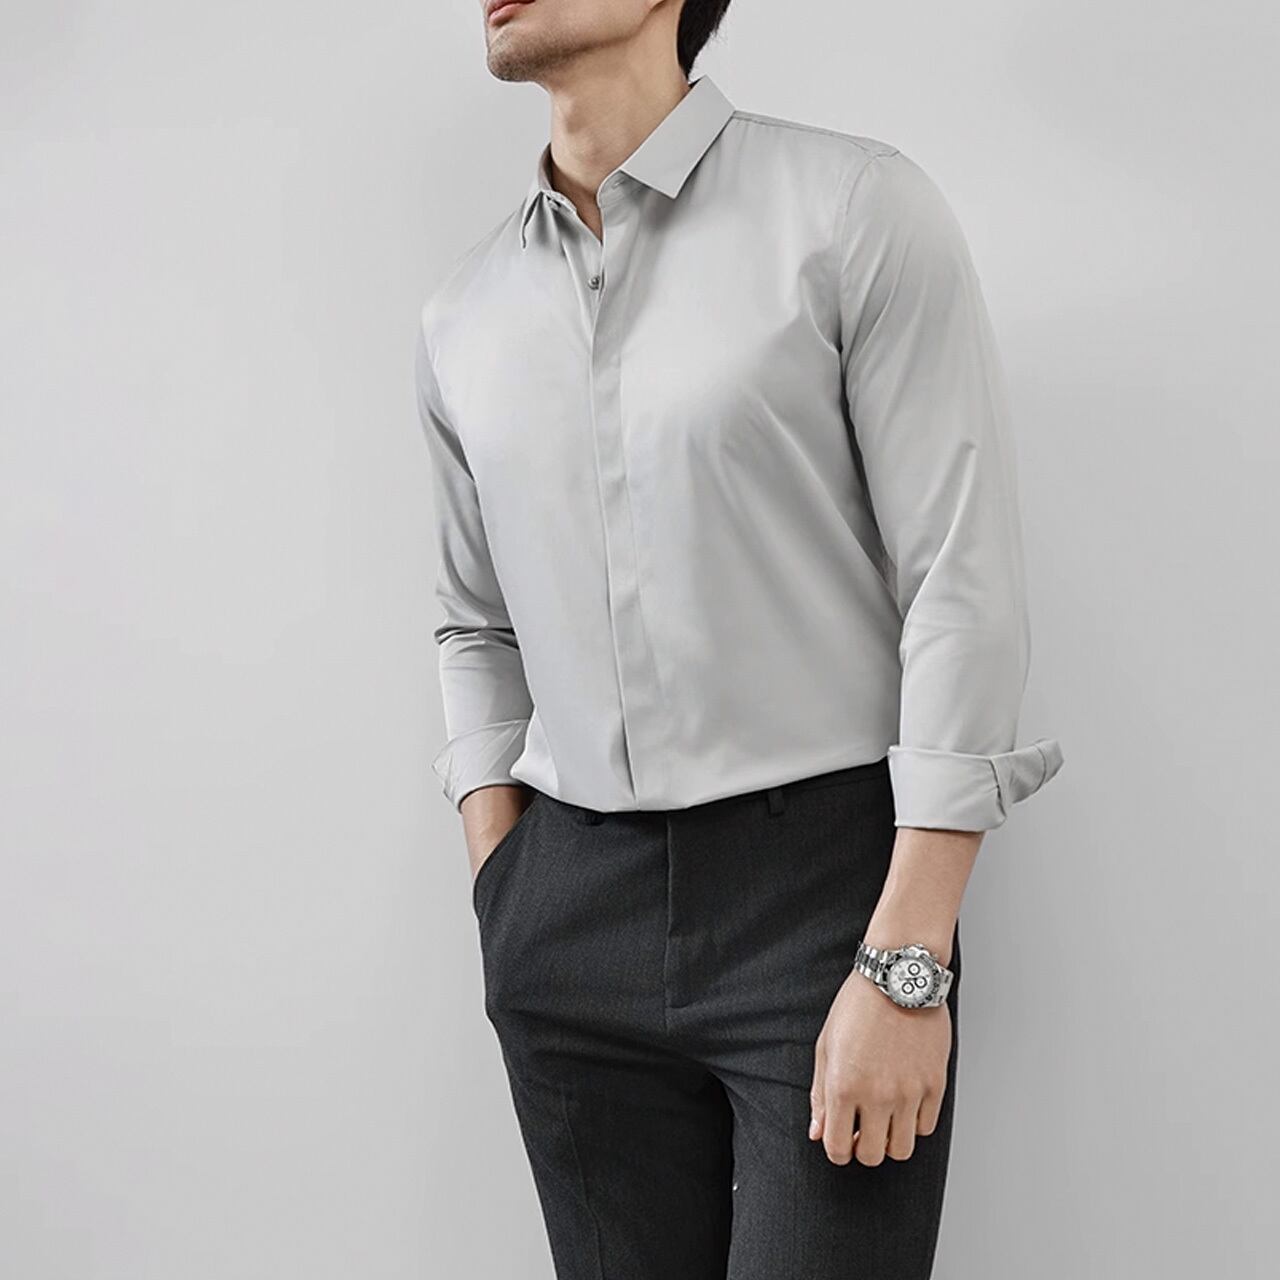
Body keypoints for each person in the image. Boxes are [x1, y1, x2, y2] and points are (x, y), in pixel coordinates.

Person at [413, 2, 1064, 1276]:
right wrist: (506, 889)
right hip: (566, 904)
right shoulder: (463, 312)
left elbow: (960, 581)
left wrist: (908, 953)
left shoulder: (851, 212)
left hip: (823, 900)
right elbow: (472, 620)